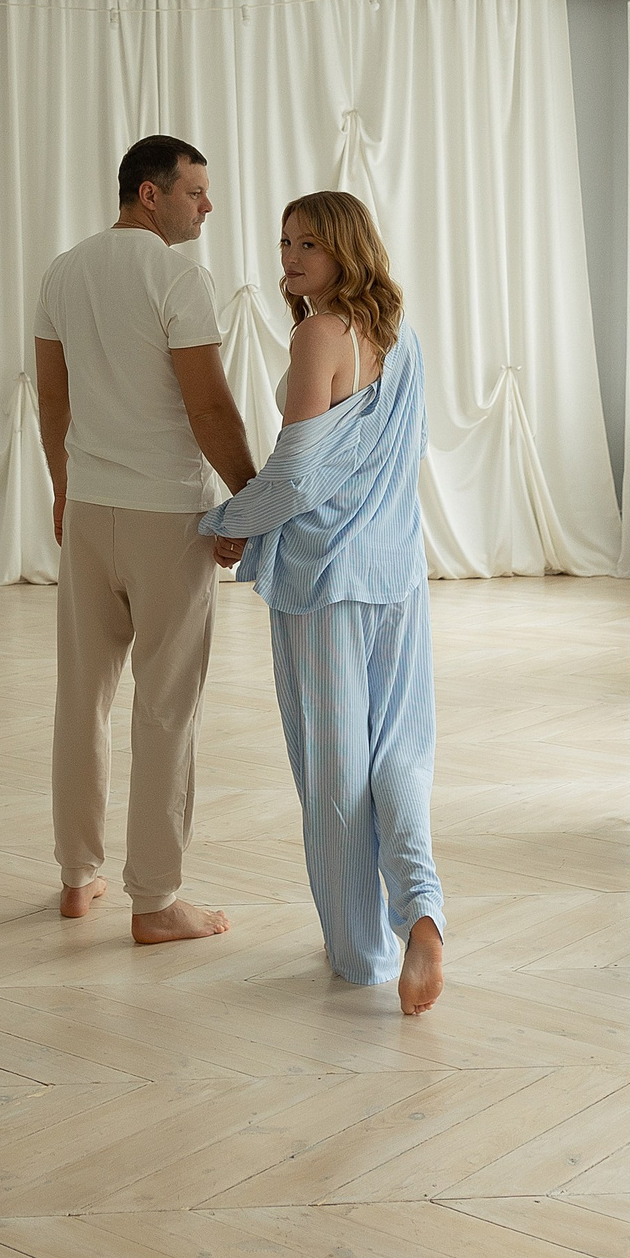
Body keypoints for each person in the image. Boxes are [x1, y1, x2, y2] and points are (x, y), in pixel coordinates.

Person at [201, 191, 446, 1015]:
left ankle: (361, 953)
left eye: (309, 243)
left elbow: (299, 473)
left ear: (347, 247)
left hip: (325, 582)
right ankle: (422, 913)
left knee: (336, 771)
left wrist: (229, 523)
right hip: (397, 575)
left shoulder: (320, 333)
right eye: (284, 242)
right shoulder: (401, 337)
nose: (290, 257)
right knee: (400, 754)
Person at [34, 135, 258, 945]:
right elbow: (209, 407)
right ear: (150, 194)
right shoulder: (177, 277)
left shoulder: (64, 272)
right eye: (195, 192)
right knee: (165, 706)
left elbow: (52, 399)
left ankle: (76, 877)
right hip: (168, 518)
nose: (207, 206)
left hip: (91, 510)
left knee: (81, 699)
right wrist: (251, 502)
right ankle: (156, 901)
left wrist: (63, 490)